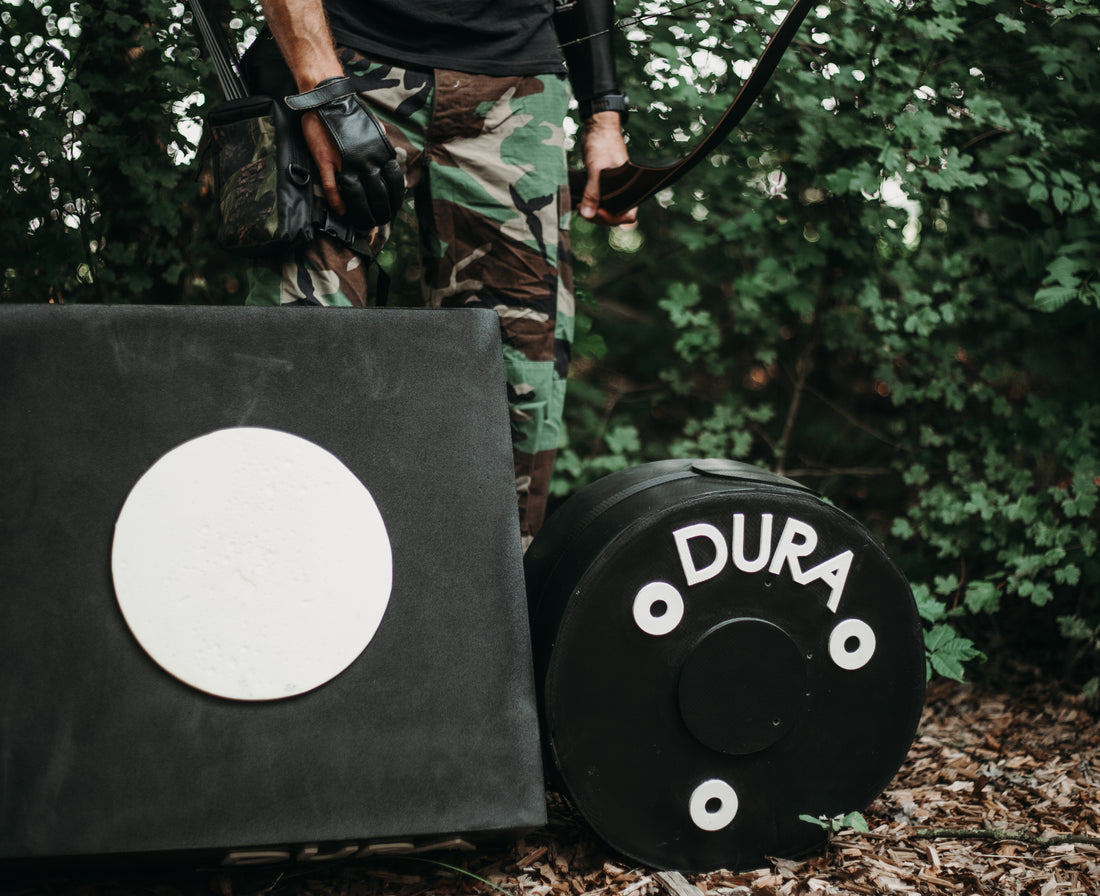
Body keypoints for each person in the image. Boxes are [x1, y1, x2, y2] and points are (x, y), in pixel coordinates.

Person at [246, 0, 636, 549]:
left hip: (519, 84)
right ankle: (284, 565)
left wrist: (604, 115)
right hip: (346, 59)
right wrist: (321, 91)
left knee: (520, 380)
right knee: (300, 353)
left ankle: (489, 593)